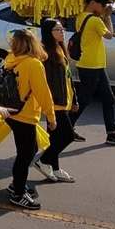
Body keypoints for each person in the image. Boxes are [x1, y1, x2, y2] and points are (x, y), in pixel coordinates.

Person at [72, 0, 115, 146]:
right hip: (92, 65)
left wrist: (103, 15)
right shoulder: (94, 20)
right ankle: (65, 129)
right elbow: (110, 35)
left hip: (93, 65)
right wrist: (107, 17)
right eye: (102, 4)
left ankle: (111, 133)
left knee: (107, 98)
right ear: (93, 3)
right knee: (84, 100)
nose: (104, 7)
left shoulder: (81, 16)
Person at [3, 30, 56, 210]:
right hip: (25, 115)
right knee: (25, 155)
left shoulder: (10, 59)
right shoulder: (33, 64)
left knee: (29, 150)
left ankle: (17, 185)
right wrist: (51, 116)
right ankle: (17, 192)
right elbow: (43, 92)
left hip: (11, 111)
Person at [33, 18, 77, 184]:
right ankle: (44, 161)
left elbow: (68, 76)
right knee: (68, 136)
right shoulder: (45, 52)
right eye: (57, 30)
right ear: (48, 33)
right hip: (55, 102)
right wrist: (49, 101)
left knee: (55, 137)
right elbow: (46, 81)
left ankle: (55, 168)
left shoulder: (60, 48)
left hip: (65, 100)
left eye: (62, 29)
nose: (62, 32)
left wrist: (74, 99)